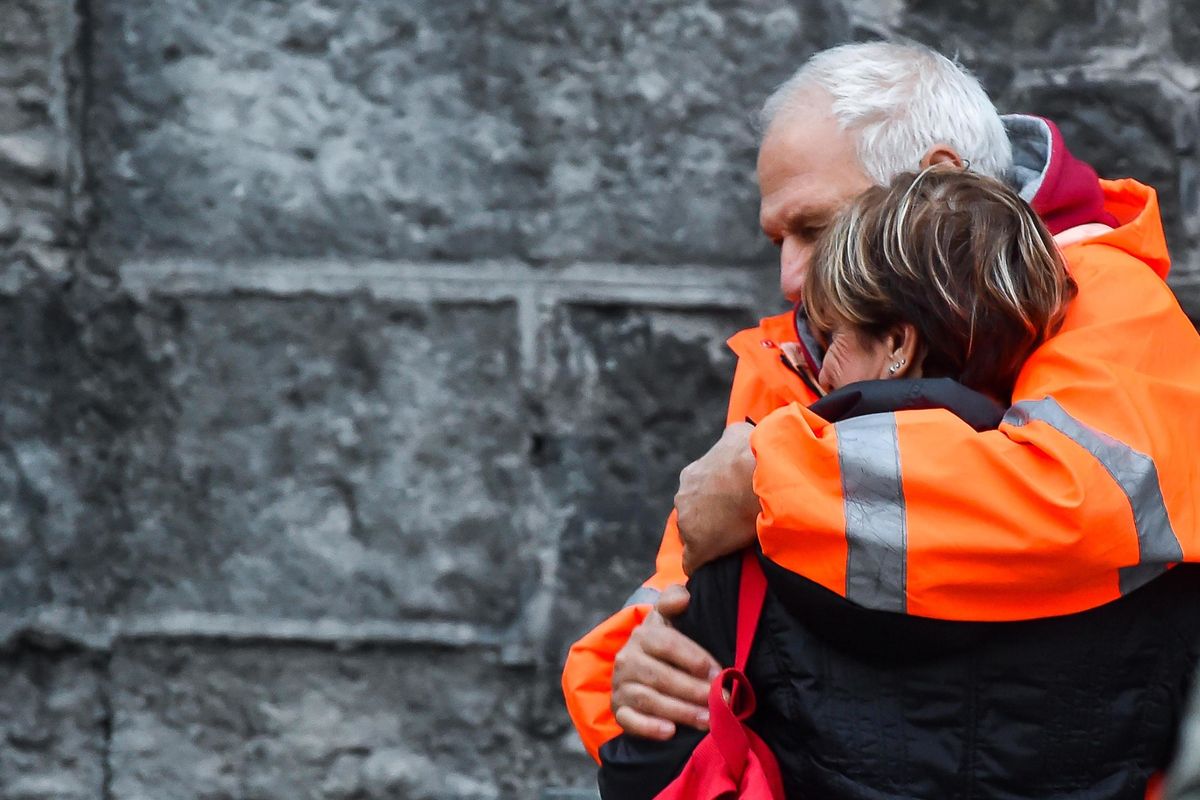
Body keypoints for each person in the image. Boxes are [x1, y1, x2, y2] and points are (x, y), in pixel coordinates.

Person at [562, 41, 1200, 763]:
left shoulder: (1112, 303)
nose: (791, 278)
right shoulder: (794, 352)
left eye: (815, 228)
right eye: (778, 239)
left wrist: (770, 481)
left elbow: (1081, 501)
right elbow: (676, 596)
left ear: (936, 177)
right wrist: (627, 674)